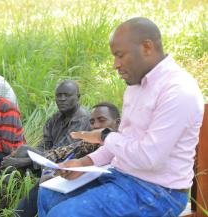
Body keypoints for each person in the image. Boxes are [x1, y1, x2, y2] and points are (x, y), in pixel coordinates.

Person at [37, 17, 204, 217]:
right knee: (47, 193)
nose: (115, 65)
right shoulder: (135, 86)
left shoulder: (178, 90)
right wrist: (83, 163)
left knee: (63, 214)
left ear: (147, 47)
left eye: (120, 55)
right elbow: (122, 144)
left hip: (158, 191)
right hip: (120, 174)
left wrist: (105, 136)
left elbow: (149, 158)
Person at [15, 102, 121, 217]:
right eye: (92, 122)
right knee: (46, 183)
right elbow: (62, 152)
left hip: (107, 192)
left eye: (102, 120)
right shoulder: (90, 143)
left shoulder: (125, 147)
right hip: (80, 184)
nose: (95, 125)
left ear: (118, 123)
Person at [1, 80, 91, 169]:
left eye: (67, 95)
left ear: (78, 97)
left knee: (22, 154)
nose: (62, 99)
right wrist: (29, 157)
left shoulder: (82, 118)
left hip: (68, 162)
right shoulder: (56, 117)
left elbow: (63, 152)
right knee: (23, 151)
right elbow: (44, 144)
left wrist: (23, 162)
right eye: (59, 95)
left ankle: (9, 179)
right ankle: (7, 179)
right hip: (51, 157)